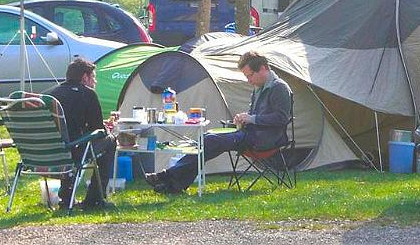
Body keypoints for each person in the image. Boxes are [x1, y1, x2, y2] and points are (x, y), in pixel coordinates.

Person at [145, 51, 292, 193]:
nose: (249, 80)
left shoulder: (279, 88)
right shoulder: (258, 88)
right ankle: (174, 184)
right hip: (251, 134)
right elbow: (257, 115)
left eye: (250, 75)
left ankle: (168, 176)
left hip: (267, 139)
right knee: (207, 138)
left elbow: (281, 118)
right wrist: (243, 118)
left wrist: (251, 119)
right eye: (247, 77)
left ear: (263, 68)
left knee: (212, 140)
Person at [46, 57, 116, 209]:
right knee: (110, 141)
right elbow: (98, 130)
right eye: (94, 78)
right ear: (85, 77)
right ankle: (95, 199)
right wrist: (107, 129)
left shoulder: (52, 95)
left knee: (70, 140)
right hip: (72, 152)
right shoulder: (88, 94)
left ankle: (66, 197)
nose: (95, 82)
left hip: (47, 154)